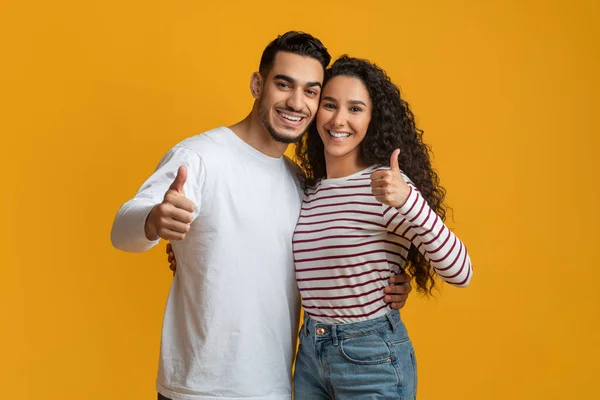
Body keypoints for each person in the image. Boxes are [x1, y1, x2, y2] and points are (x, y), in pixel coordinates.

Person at [110, 32, 412, 400]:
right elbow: (122, 230)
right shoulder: (200, 157)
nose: (296, 102)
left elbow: (324, 264)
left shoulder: (301, 183)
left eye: (311, 91)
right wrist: (153, 221)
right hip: (197, 389)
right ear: (258, 84)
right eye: (284, 84)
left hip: (276, 387)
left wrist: (385, 285)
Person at [290, 55, 473, 398]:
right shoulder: (308, 191)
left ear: (373, 119)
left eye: (356, 108)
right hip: (310, 356)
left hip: (370, 357)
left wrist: (408, 200)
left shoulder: (388, 186)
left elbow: (460, 272)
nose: (339, 119)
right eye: (330, 105)